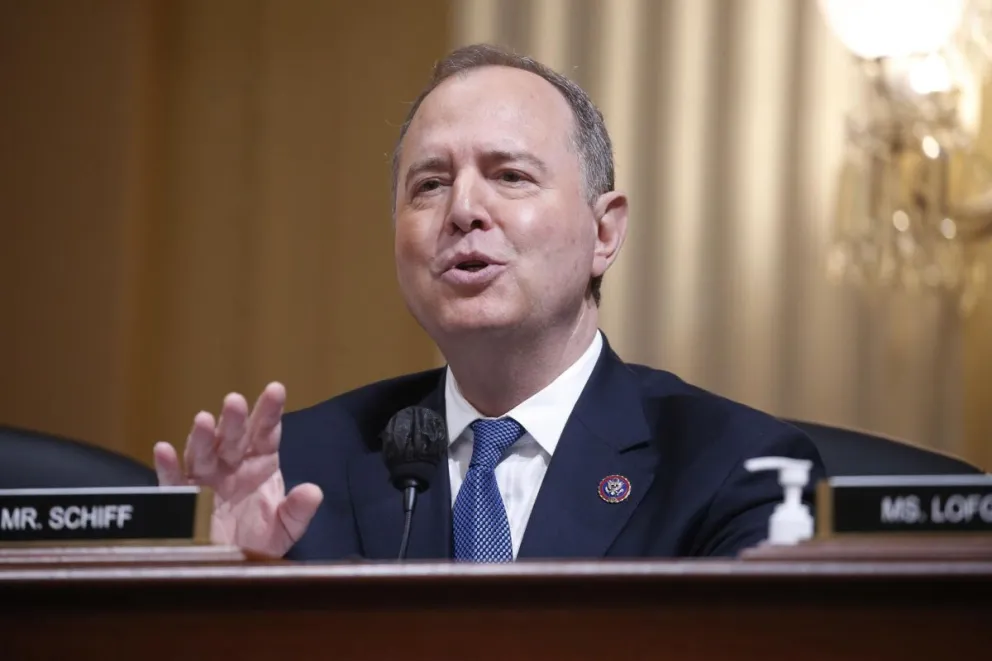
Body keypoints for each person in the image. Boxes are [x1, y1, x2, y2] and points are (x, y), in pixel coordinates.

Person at [153, 43, 825, 561]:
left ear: (605, 230)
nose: (463, 209)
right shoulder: (296, 470)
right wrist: (226, 591)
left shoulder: (735, 469)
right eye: (429, 185)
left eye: (509, 175)